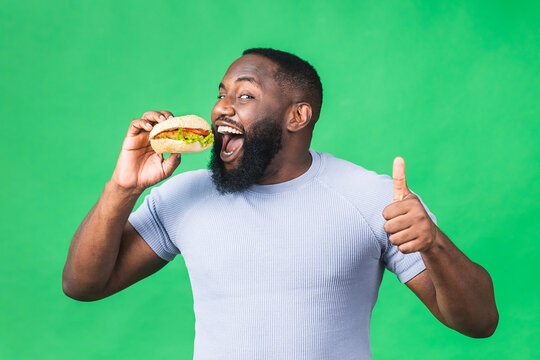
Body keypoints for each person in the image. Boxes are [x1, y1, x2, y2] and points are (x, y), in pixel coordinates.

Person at [62, 48, 498, 359]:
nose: (220, 108)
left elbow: (479, 322)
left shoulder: (373, 197)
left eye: (244, 96)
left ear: (298, 116)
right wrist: (122, 189)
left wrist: (434, 244)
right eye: (221, 93)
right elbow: (83, 285)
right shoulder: (183, 196)